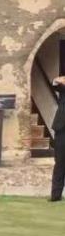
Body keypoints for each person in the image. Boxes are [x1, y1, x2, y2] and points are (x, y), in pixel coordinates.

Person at [51, 75, 65, 203]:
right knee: (60, 163)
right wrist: (60, 79)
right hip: (62, 130)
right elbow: (55, 83)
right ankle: (56, 195)